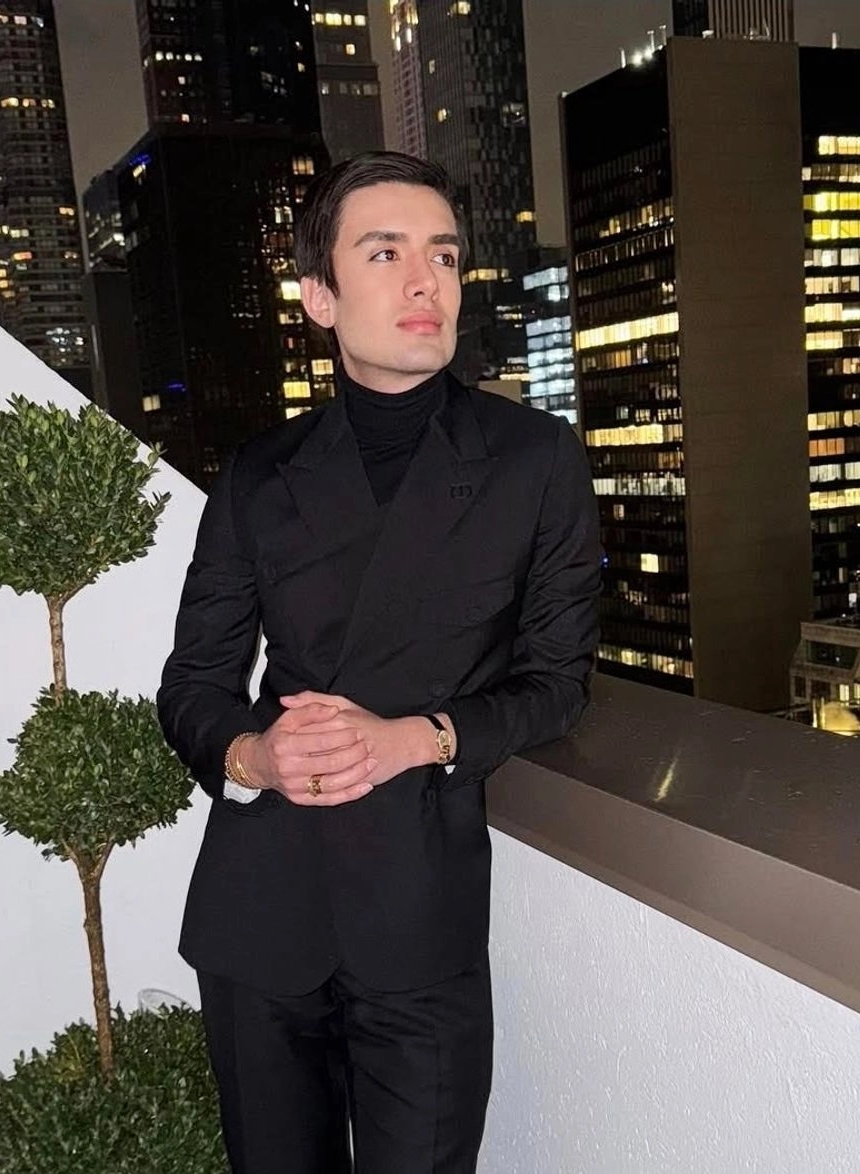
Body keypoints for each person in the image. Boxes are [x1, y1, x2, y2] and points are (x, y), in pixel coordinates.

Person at [157, 150, 603, 1174]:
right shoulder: (262, 471)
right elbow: (193, 684)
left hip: (418, 911)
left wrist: (422, 737)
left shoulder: (534, 460)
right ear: (319, 297)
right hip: (262, 907)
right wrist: (254, 756)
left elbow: (558, 682)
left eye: (442, 255)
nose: (425, 281)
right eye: (386, 253)